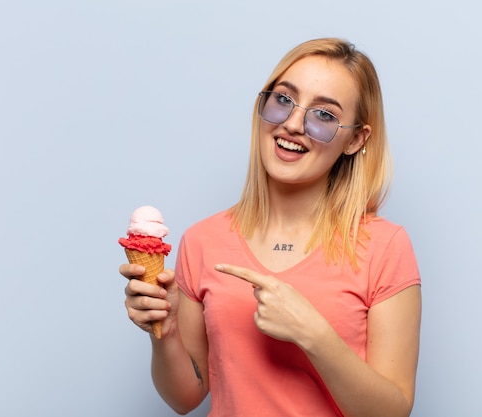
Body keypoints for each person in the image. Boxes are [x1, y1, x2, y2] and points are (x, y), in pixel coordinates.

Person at [120, 37, 422, 417]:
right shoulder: (202, 241)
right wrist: (165, 333)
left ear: (355, 139)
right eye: (283, 100)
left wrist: (314, 335)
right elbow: (185, 398)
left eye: (324, 115)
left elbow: (392, 412)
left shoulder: (385, 246)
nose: (294, 124)